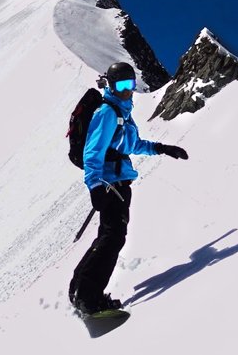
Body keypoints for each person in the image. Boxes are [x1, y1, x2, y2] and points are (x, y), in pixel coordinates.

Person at [69, 62, 189, 315]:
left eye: (130, 84)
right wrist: (95, 187)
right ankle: (89, 298)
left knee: (108, 236)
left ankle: (80, 289)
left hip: (119, 183)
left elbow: (132, 145)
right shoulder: (107, 112)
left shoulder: (122, 113)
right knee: (113, 236)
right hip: (110, 185)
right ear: (111, 86)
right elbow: (92, 153)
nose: (127, 90)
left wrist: (162, 148)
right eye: (121, 85)